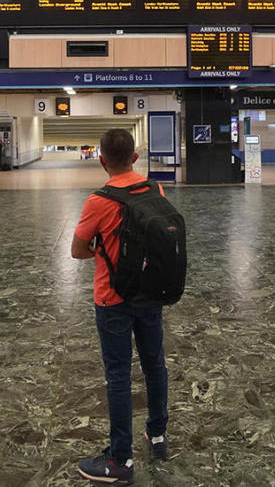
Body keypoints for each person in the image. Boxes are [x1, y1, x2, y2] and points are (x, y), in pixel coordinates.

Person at [71, 129, 172, 484]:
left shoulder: (98, 201)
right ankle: (157, 435)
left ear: (101, 161)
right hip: (150, 295)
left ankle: (120, 461)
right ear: (134, 158)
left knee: (118, 376)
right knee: (154, 364)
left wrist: (106, 249)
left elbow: (77, 250)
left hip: (112, 299)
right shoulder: (155, 189)